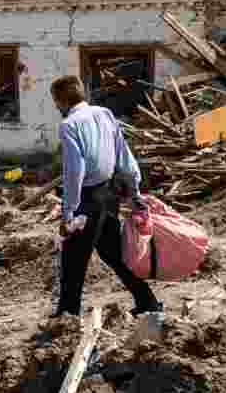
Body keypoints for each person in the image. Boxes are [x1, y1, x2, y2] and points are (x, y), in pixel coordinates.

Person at [50, 75, 161, 319]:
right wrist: (134, 190)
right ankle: (148, 301)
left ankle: (67, 317)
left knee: (73, 261)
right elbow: (124, 154)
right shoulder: (104, 114)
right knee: (113, 253)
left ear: (60, 100)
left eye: (55, 102)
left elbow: (73, 172)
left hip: (87, 199)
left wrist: (68, 213)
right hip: (109, 194)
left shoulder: (69, 125)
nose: (56, 107)